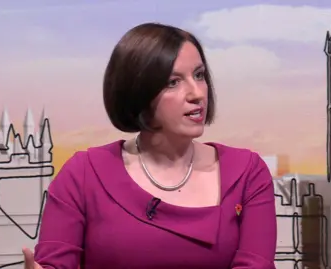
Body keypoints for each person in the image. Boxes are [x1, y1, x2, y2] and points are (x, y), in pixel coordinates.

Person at [22, 22, 277, 269]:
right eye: (173, 82)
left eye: (199, 76)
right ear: (138, 92)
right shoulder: (84, 173)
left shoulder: (246, 173)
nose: (197, 93)